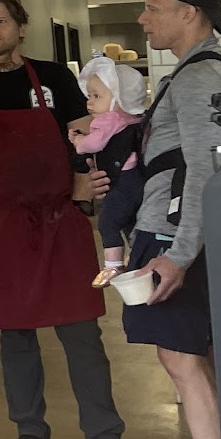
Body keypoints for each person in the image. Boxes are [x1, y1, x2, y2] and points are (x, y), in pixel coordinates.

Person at [0, 0, 148, 439]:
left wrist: (85, 183)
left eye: (1, 21)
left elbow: (88, 138)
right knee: (16, 332)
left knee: (81, 330)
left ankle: (105, 438)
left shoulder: (54, 79)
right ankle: (30, 432)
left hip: (58, 218)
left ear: (21, 27)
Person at [130, 0, 221, 439]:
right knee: (198, 358)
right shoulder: (204, 70)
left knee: (181, 360)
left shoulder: (198, 77)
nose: (143, 19)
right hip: (181, 233)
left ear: (188, 12)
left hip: (176, 236)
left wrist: (179, 254)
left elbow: (205, 173)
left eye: (153, 8)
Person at [71, 54, 148, 285]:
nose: (89, 102)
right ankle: (138, 256)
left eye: (96, 96)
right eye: (89, 96)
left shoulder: (109, 119)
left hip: (123, 180)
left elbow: (94, 144)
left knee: (108, 221)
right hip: (135, 180)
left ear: (119, 99)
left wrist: (78, 142)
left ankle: (113, 265)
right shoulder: (133, 119)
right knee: (130, 221)